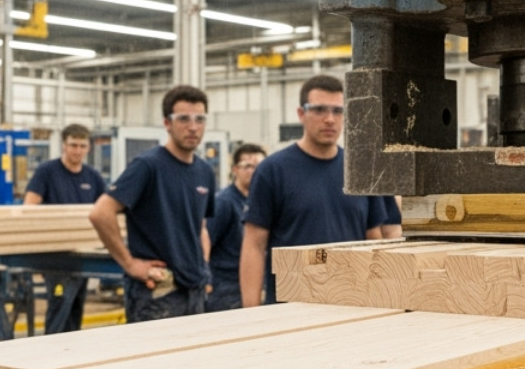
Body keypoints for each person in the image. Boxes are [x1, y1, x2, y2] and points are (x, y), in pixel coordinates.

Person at [241, 74, 385, 306]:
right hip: (289, 307)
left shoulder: (361, 170)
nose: (329, 119)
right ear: (301, 114)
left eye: (338, 111)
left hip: (351, 304)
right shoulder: (272, 170)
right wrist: (250, 313)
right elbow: (254, 245)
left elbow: (374, 239)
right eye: (319, 110)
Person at [89, 85, 213, 322]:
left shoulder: (204, 172)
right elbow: (101, 213)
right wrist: (130, 264)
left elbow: (201, 227)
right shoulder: (148, 166)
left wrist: (203, 265)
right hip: (158, 292)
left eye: (200, 119)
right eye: (183, 119)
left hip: (194, 289)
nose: (193, 127)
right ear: (167, 123)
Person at [25, 124, 108, 333]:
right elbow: (29, 207)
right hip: (57, 255)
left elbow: (106, 210)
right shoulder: (47, 172)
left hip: (84, 253)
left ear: (88, 148)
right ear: (64, 145)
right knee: (59, 308)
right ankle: (50, 357)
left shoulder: (93, 177)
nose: (77, 151)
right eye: (73, 145)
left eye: (82, 146)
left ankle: (70, 357)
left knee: (75, 310)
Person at [207, 142, 265, 312]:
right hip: (225, 289)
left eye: (259, 166)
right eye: (247, 166)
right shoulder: (224, 203)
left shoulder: (260, 202)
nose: (254, 171)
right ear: (235, 170)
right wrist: (206, 282)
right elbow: (205, 242)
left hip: (251, 283)